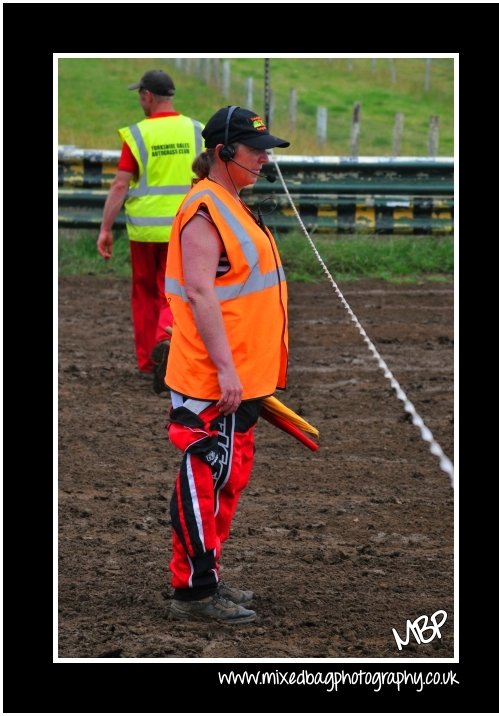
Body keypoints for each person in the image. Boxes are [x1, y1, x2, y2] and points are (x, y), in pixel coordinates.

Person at [163, 105, 291, 623]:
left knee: (227, 477)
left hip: (238, 377)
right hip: (213, 378)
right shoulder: (204, 208)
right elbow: (198, 291)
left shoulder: (230, 202)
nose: (265, 159)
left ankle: (205, 574)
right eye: (255, 151)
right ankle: (194, 593)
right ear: (222, 153)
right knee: (204, 475)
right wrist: (227, 370)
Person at [97, 69, 204, 393]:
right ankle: (167, 340)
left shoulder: (137, 134)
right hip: (184, 227)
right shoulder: (197, 131)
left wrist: (105, 228)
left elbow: (119, 185)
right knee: (171, 291)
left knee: (143, 294)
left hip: (144, 232)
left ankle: (149, 359)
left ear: (148, 96)